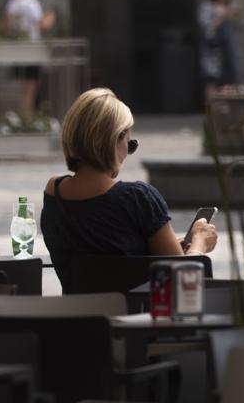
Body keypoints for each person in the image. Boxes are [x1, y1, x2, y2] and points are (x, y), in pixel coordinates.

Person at [40, 88, 218, 283]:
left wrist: (146, 249)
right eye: (129, 143)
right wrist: (199, 245)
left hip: (74, 312)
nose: (126, 153)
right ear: (114, 140)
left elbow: (104, 251)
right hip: (136, 313)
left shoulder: (54, 193)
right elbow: (180, 280)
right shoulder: (138, 198)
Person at [3, 0, 56, 117]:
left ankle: (23, 116)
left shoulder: (11, 3)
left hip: (17, 49)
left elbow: (7, 27)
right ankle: (27, 118)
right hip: (31, 49)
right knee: (31, 87)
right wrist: (50, 17)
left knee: (23, 88)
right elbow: (42, 25)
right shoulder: (31, 2)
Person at [198, 0, 241, 101]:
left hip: (228, 48)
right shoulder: (207, 6)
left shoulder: (231, 6)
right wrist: (221, 15)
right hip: (213, 48)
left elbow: (236, 26)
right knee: (211, 79)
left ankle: (226, 107)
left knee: (229, 79)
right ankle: (211, 107)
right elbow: (206, 26)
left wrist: (233, 15)